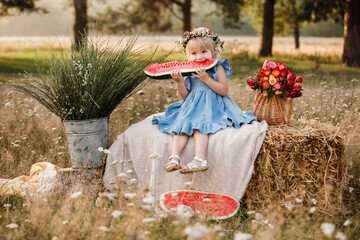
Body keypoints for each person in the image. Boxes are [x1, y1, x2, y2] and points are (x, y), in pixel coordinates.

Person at [152, 27, 257, 174]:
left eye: (204, 52)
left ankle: (200, 158)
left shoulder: (217, 67)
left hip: (212, 106)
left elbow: (223, 90)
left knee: (199, 126)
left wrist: (207, 79)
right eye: (194, 53)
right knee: (180, 127)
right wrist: (179, 82)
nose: (199, 57)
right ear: (188, 56)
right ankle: (174, 157)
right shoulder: (189, 71)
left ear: (213, 52)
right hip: (192, 106)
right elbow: (185, 97)